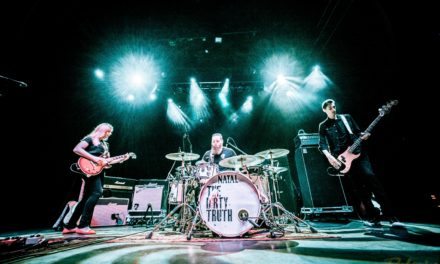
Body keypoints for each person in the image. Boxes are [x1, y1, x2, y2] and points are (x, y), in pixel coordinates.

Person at [318, 99, 400, 227]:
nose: (333, 109)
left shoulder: (346, 118)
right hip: (344, 161)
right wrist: (330, 157)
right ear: (325, 110)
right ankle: (374, 217)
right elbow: (322, 144)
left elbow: (357, 132)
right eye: (330, 108)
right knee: (360, 190)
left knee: (371, 178)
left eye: (333, 106)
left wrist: (364, 135)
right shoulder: (323, 126)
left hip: (359, 154)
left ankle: (392, 217)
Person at [62, 123, 126, 235]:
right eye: (107, 131)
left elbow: (106, 162)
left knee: (86, 198)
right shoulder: (89, 139)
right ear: (101, 130)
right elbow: (77, 149)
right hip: (87, 169)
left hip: (98, 171)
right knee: (97, 192)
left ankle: (70, 226)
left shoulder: (105, 145)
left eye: (110, 132)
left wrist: (121, 159)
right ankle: (83, 226)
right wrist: (95, 159)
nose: (109, 134)